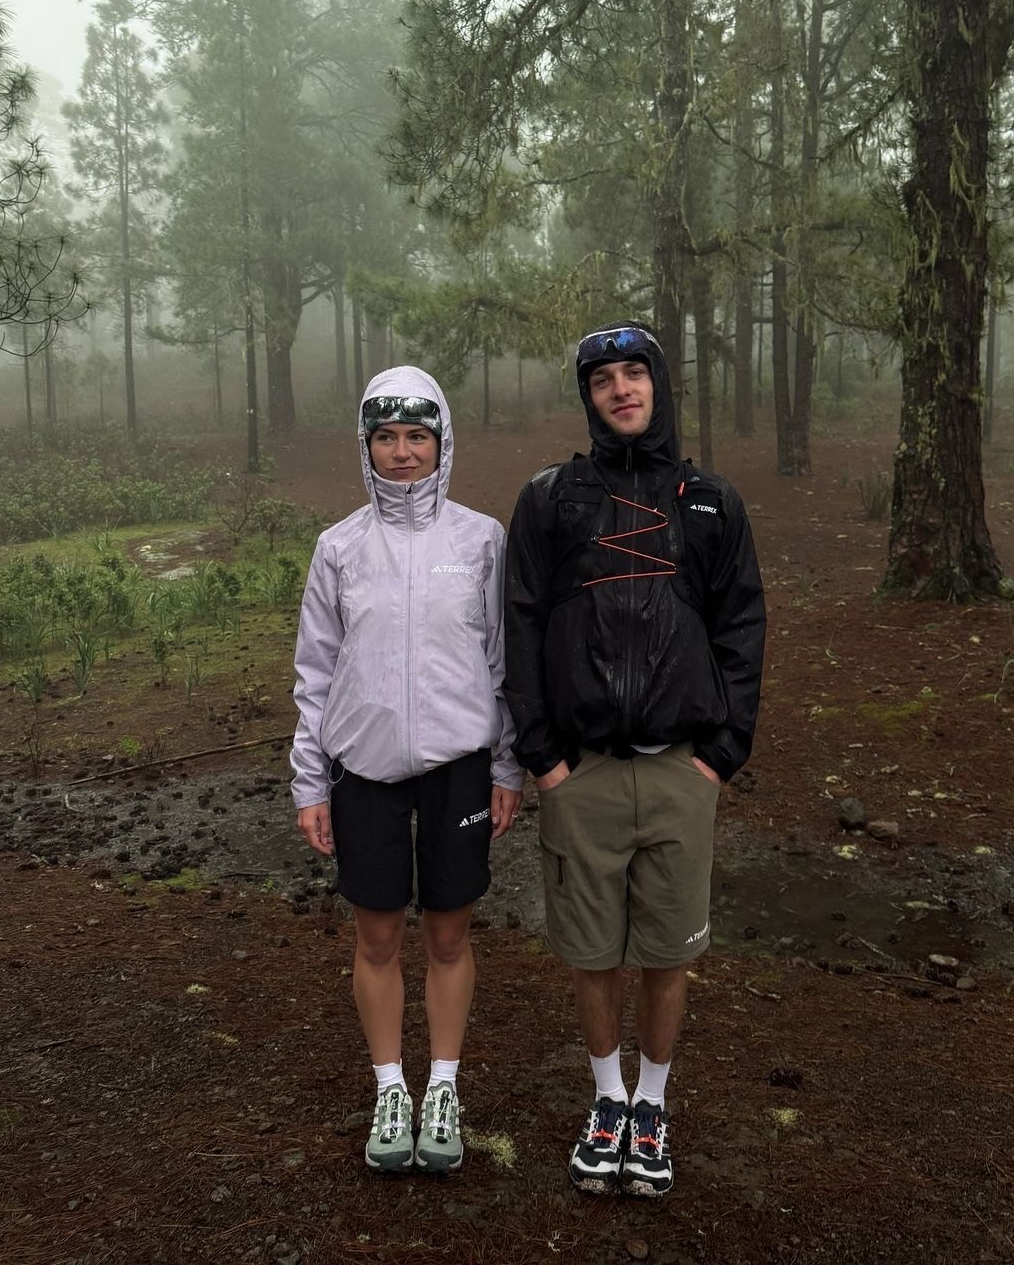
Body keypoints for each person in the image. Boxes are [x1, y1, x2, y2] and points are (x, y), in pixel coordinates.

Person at [504, 321, 765, 1198]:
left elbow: (741, 629)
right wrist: (543, 760)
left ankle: (652, 1104)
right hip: (583, 773)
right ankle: (606, 1098)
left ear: (659, 383)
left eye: (635, 373)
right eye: (603, 379)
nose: (621, 389)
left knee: (667, 952)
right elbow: (523, 626)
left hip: (679, 770)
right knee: (591, 953)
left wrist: (721, 757)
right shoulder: (551, 500)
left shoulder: (710, 502)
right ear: (586, 396)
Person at [290, 365, 523, 1177]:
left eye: (416, 436)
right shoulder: (340, 548)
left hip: (460, 766)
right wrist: (310, 782)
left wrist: (507, 766)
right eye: (384, 438)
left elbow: (503, 663)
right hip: (365, 768)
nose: (400, 452)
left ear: (441, 442)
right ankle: (391, 1086)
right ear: (366, 446)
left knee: (450, 932)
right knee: (378, 933)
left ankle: (444, 1087)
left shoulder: (482, 540)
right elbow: (315, 673)